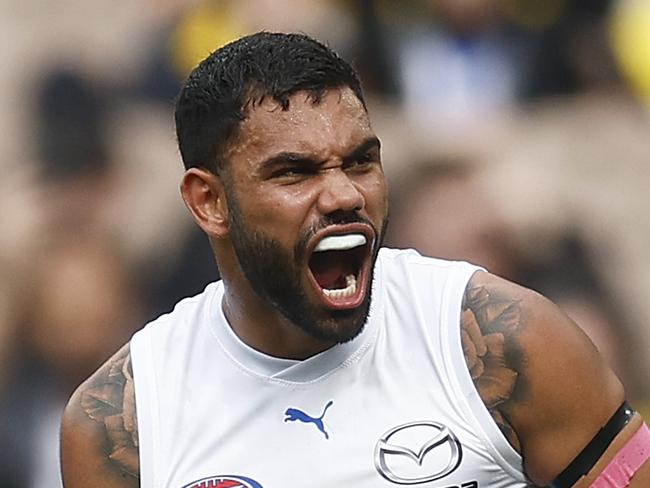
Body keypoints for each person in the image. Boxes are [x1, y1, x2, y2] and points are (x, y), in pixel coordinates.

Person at [60, 32, 649, 488]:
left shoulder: (504, 341)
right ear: (209, 201)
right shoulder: (124, 422)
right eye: (295, 172)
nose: (344, 194)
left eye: (361, 162)